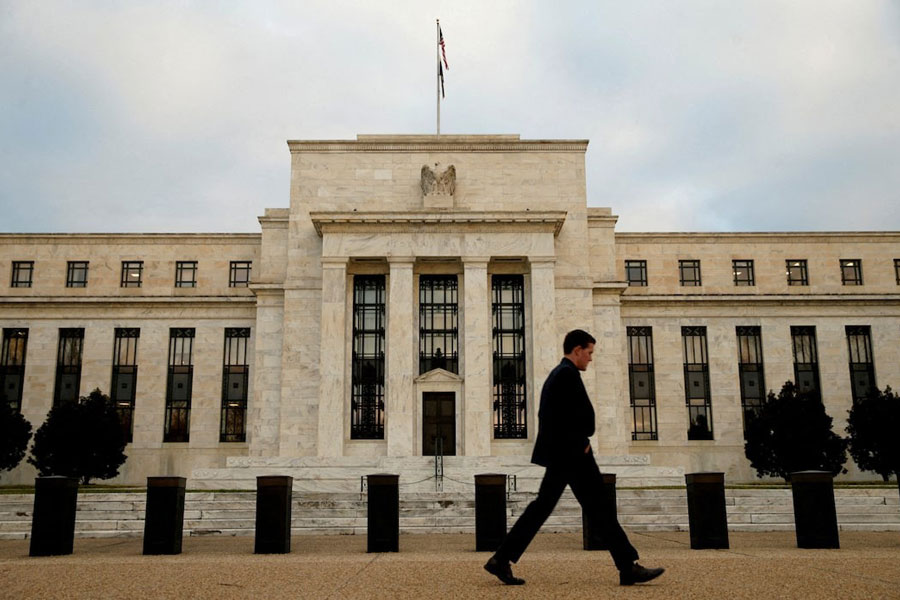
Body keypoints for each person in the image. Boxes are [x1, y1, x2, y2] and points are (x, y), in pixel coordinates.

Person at [483, 329, 665, 586]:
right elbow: (561, 418)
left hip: (566, 454)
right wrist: (580, 443)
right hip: (573, 455)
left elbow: (556, 416)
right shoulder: (566, 375)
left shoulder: (561, 374)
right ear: (577, 350)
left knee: (559, 507)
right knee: (596, 507)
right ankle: (627, 567)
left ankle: (501, 559)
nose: (591, 358)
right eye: (589, 352)